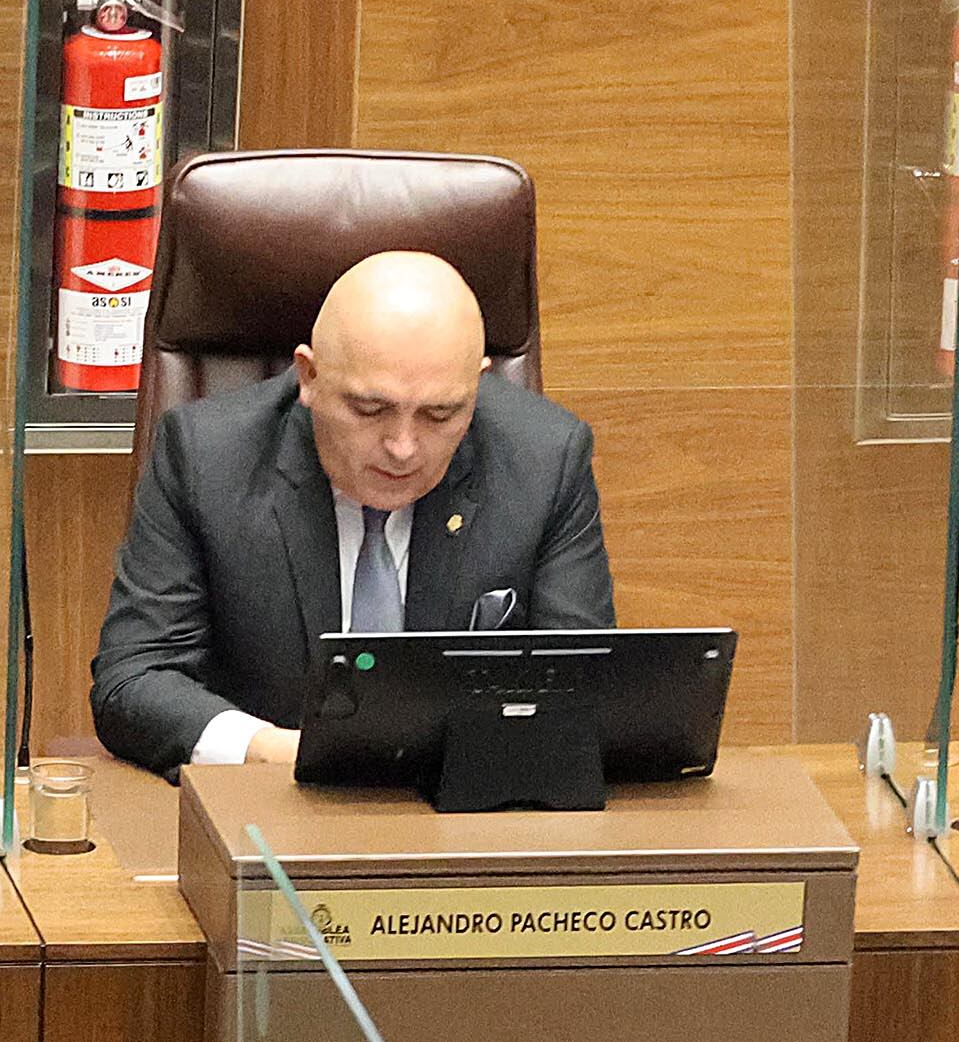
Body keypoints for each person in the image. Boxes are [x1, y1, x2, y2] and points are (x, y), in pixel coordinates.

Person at [91, 248, 614, 776]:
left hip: (466, 819)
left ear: (477, 385)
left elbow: (584, 685)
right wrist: (285, 753)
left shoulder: (546, 459)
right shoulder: (208, 457)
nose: (403, 446)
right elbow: (135, 677)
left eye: (440, 414)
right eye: (370, 409)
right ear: (309, 376)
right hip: (265, 816)